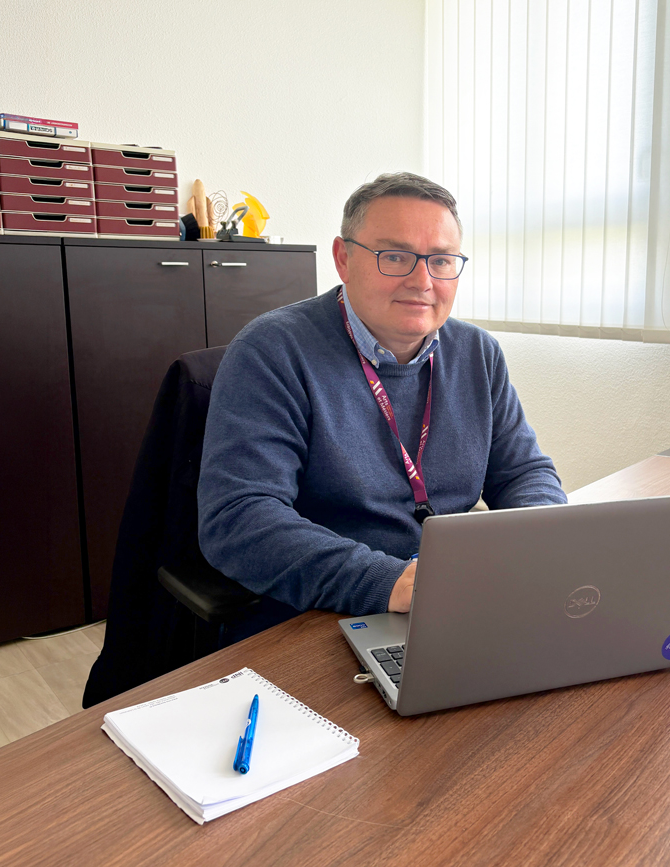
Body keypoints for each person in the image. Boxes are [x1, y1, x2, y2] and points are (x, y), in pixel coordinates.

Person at [197, 172, 566, 625]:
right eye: (395, 256)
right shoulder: (273, 351)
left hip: (455, 597)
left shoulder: (477, 353)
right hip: (324, 610)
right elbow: (239, 518)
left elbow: (524, 471)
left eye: (442, 260)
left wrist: (544, 541)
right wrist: (388, 580)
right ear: (343, 259)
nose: (422, 281)